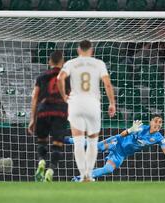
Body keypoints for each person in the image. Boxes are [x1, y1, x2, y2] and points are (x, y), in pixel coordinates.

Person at [57, 40, 116, 182]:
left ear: (78, 50)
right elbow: (107, 84)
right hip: (92, 104)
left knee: (78, 142)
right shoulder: (98, 64)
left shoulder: (71, 63)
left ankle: (83, 174)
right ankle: (89, 175)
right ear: (91, 51)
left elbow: (60, 78)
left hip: (75, 103)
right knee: (92, 142)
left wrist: (63, 95)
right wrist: (112, 103)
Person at [66, 114, 165, 181]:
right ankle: (67, 139)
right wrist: (130, 130)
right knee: (96, 147)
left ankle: (80, 178)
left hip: (121, 154)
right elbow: (121, 135)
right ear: (150, 122)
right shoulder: (141, 128)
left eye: (160, 122)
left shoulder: (160, 138)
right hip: (117, 142)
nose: (158, 124)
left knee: (108, 169)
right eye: (156, 121)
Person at [28, 51, 69, 182]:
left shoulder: (41, 77)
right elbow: (71, 97)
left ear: (49, 62)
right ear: (62, 63)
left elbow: (34, 98)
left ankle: (41, 162)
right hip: (60, 112)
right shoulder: (67, 78)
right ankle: (50, 170)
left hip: (43, 111)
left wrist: (32, 119)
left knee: (42, 140)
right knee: (57, 144)